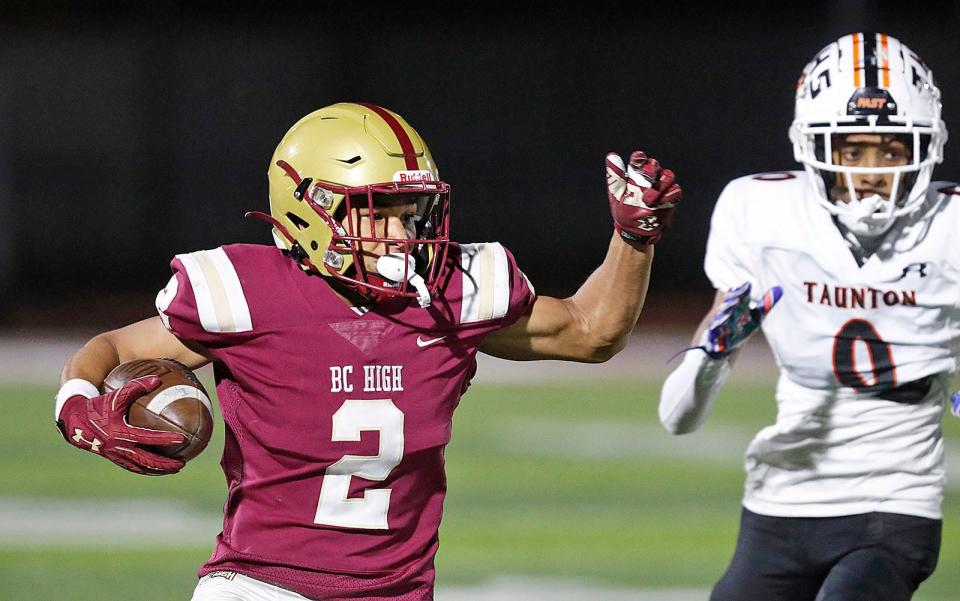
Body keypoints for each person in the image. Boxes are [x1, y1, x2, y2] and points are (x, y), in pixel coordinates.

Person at [54, 102, 682, 601]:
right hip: (261, 585)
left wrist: (633, 237)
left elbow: (591, 330)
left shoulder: (449, 295)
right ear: (309, 212)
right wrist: (79, 404)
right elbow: (112, 347)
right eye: (377, 212)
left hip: (400, 593)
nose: (403, 233)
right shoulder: (246, 292)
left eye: (411, 211)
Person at [658, 32, 954, 601]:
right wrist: (712, 356)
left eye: (891, 150)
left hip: (895, 503)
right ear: (815, 145)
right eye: (853, 150)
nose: (873, 172)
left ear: (924, 148)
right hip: (781, 500)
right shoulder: (762, 212)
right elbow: (678, 419)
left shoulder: (949, 228)